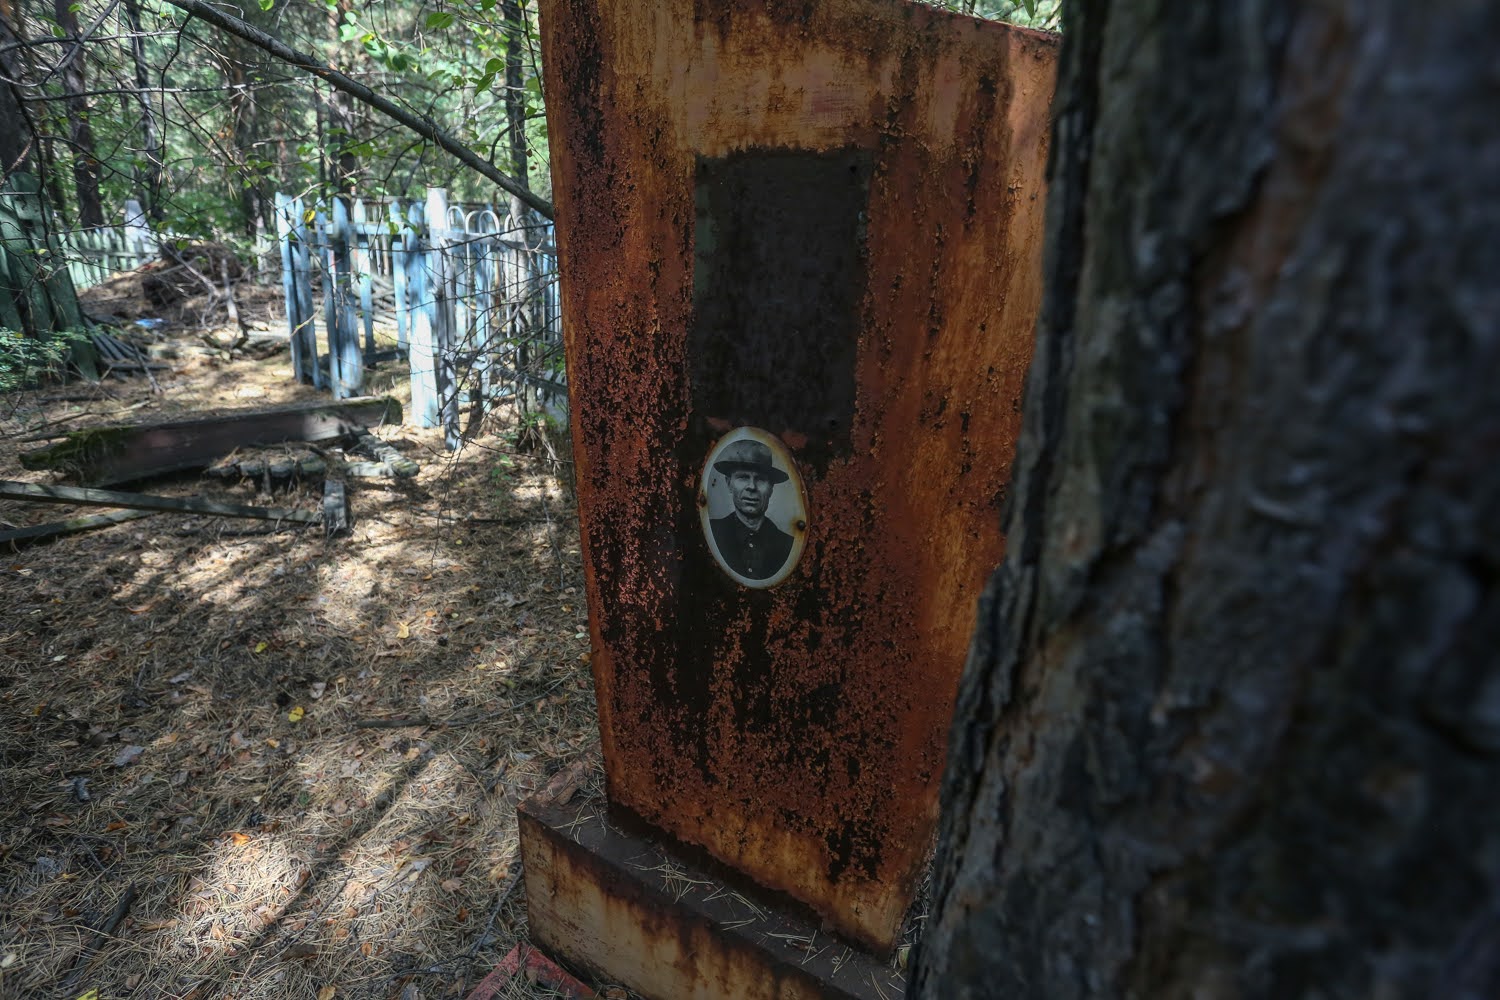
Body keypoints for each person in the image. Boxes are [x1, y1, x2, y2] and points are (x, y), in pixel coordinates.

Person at [708, 439, 795, 580]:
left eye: (760, 479)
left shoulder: (788, 545)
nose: (752, 487)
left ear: (771, 488)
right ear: (729, 483)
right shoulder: (711, 532)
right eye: (743, 477)